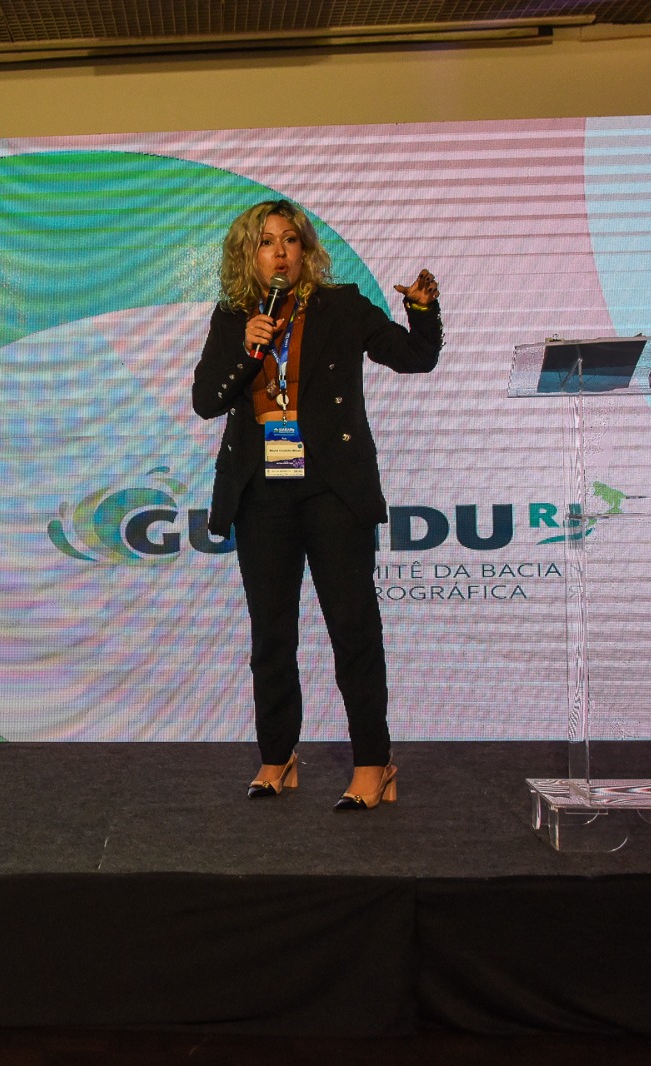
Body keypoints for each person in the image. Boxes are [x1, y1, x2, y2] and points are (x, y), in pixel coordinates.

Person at [191, 199, 441, 810]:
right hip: (261, 491)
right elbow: (206, 401)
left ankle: (373, 763)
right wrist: (248, 349)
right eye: (266, 242)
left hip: (332, 486)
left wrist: (422, 311)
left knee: (353, 629)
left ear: (305, 250)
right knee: (271, 636)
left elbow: (416, 358)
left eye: (290, 239)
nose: (279, 252)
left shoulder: (341, 306)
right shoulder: (235, 317)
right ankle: (277, 757)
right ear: (248, 256)